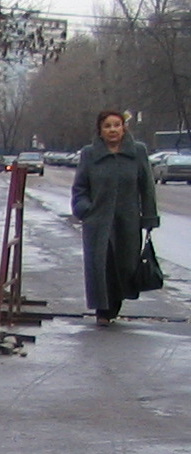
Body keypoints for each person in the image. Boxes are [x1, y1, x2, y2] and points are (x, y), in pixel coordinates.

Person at [70, 110, 159, 323]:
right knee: (101, 266)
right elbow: (80, 188)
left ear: (123, 128)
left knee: (125, 266)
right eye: (107, 126)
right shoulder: (90, 154)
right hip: (97, 222)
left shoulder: (137, 152)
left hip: (127, 223)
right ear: (100, 131)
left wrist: (149, 218)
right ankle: (103, 311)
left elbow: (146, 188)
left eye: (116, 125)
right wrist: (85, 209)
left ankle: (115, 306)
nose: (112, 130)